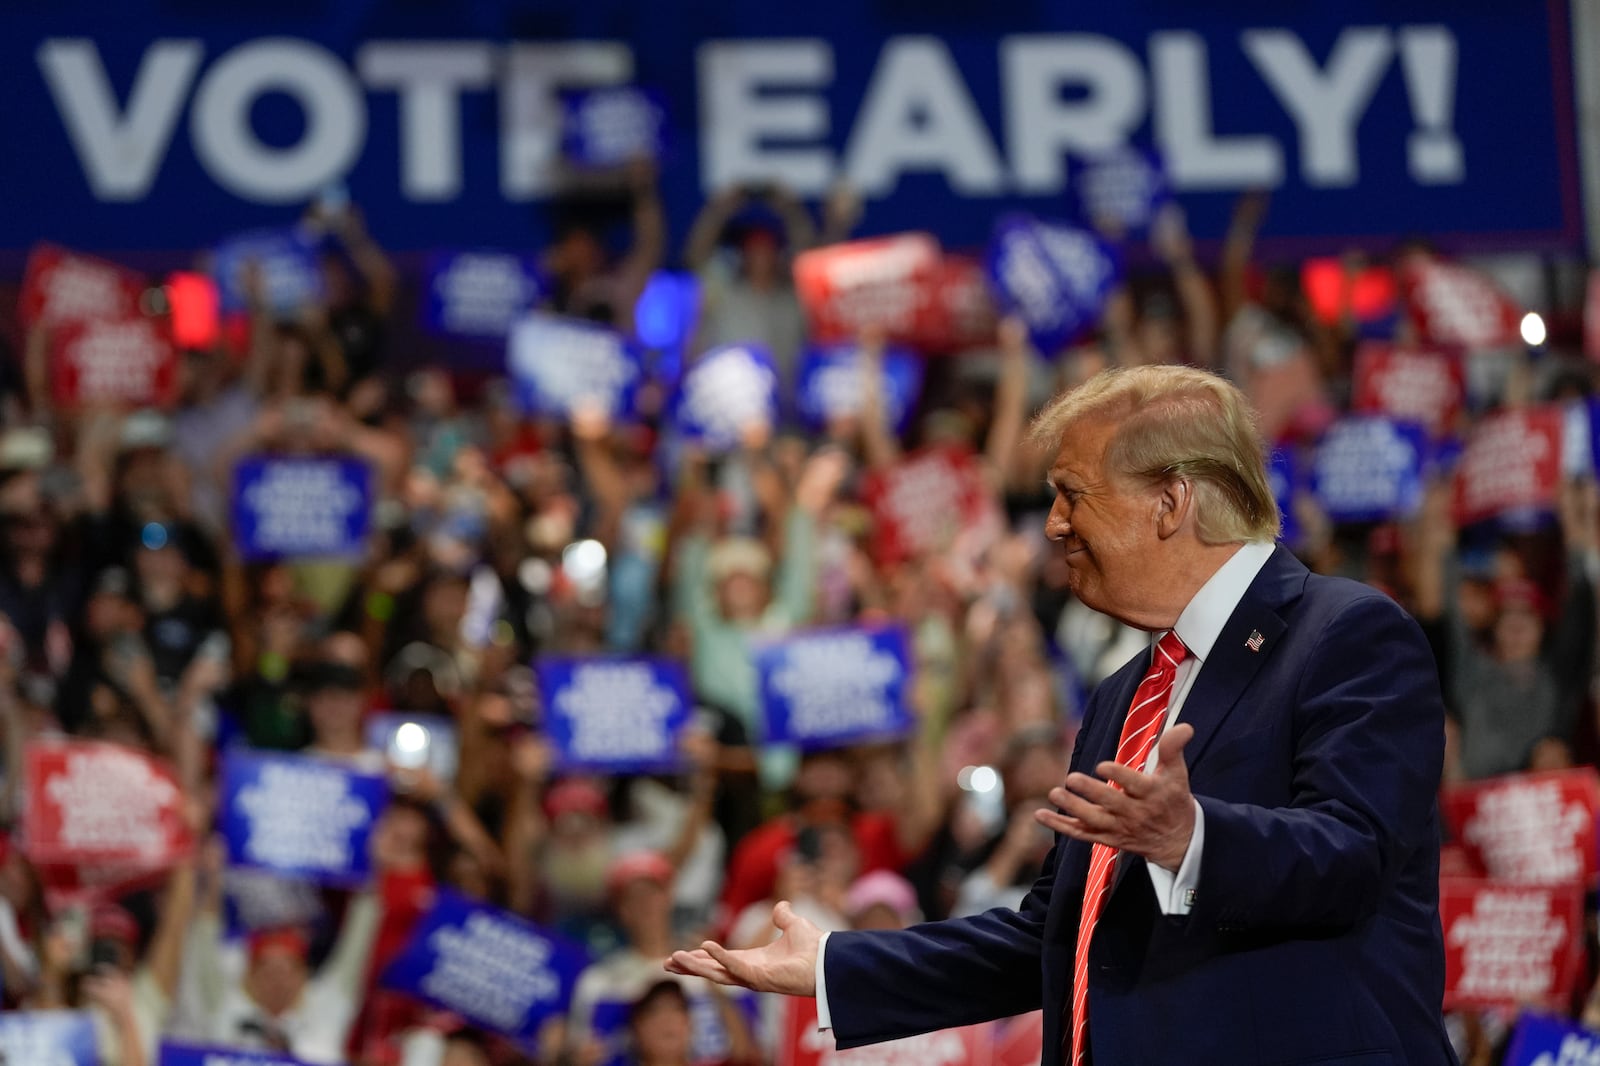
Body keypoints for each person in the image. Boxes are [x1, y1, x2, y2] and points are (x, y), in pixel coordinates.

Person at [668, 364, 1454, 1066]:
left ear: (1171, 501)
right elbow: (1053, 936)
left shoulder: (1347, 633)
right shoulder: (1124, 693)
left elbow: (1353, 853)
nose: (1052, 524)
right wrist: (836, 966)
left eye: (1072, 494)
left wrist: (1193, 839)